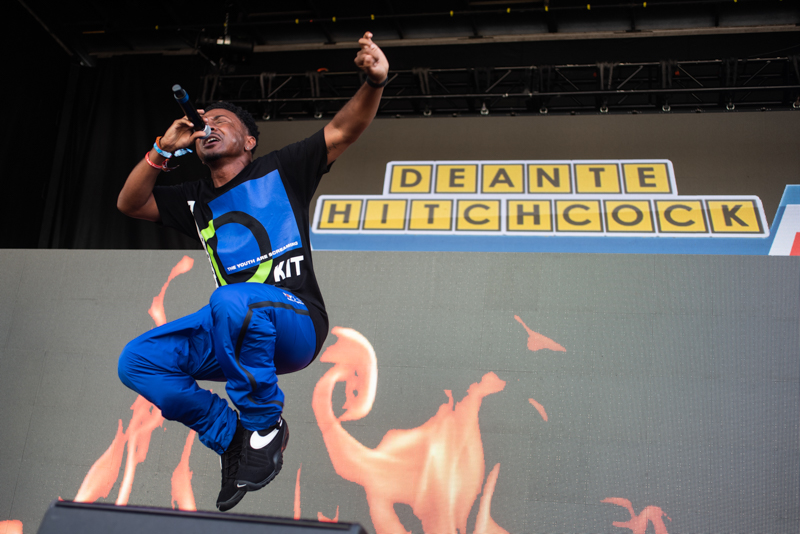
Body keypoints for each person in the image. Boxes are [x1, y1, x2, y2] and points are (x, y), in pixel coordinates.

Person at [116, 32, 389, 512]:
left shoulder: (281, 170)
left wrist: (374, 82)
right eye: (203, 123)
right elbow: (130, 203)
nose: (208, 126)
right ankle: (233, 436)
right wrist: (162, 147)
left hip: (295, 323)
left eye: (222, 121)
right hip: (233, 329)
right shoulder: (194, 197)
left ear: (249, 139)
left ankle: (266, 423)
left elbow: (344, 130)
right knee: (138, 360)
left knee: (231, 298)